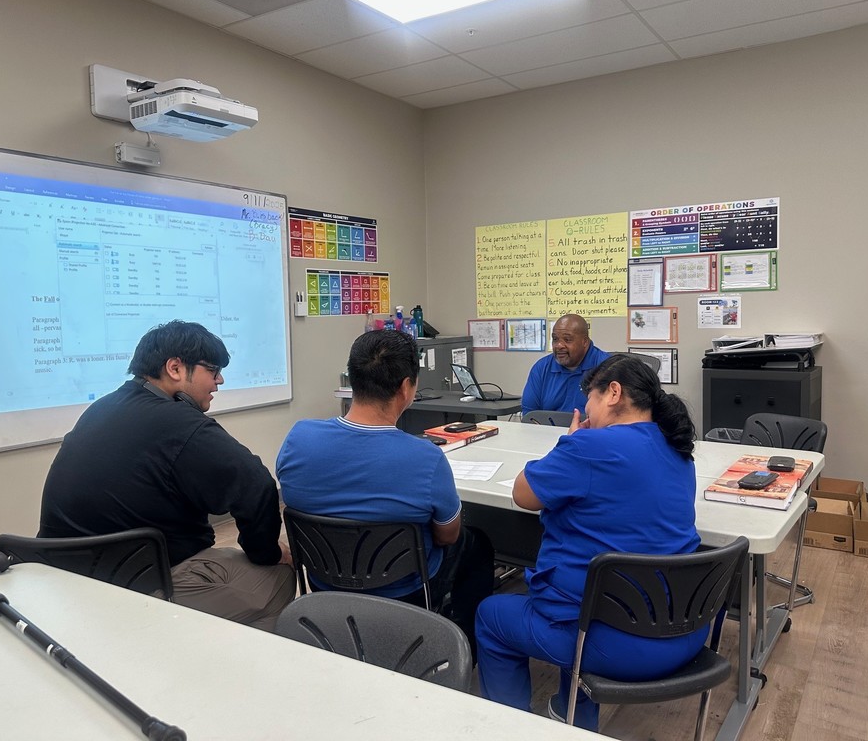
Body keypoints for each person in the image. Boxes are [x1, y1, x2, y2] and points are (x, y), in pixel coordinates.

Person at [475, 354, 703, 731]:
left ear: (613, 393)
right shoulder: (679, 450)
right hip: (685, 631)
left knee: (493, 616)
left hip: (616, 645)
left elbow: (523, 495)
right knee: (587, 594)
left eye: (590, 400)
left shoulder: (587, 448)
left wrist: (567, 442)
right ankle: (571, 713)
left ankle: (510, 731)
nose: (586, 411)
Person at [38, 320, 295, 631]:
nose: (219, 381)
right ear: (175, 368)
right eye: (212, 370)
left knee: (227, 557)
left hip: (64, 580)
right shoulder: (182, 424)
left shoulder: (100, 409)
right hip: (140, 588)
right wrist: (266, 551)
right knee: (279, 574)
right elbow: (257, 486)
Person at [276, 329, 494, 654]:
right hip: (402, 589)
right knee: (477, 545)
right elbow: (448, 537)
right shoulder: (426, 458)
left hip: (323, 582)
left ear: (352, 379)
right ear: (406, 387)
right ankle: (461, 651)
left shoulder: (298, 438)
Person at [520, 313, 610, 415]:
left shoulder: (606, 368)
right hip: (548, 430)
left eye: (567, 340)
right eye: (555, 339)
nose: (559, 345)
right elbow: (529, 414)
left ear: (585, 342)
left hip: (591, 430)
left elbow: (616, 417)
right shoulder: (542, 369)